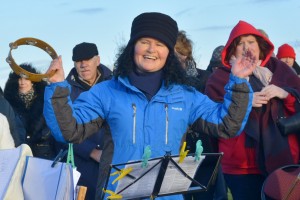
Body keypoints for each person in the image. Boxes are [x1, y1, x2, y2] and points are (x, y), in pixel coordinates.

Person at [44, 12, 256, 200]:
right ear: (132, 46)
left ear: (169, 53)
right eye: (145, 41)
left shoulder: (185, 96)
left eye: (161, 44)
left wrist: (238, 82)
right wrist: (57, 88)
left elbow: (226, 124)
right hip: (117, 195)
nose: (151, 50)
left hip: (168, 197)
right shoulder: (107, 92)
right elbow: (69, 131)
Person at [205, 20, 300, 200]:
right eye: (240, 43)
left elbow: (297, 104)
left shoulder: (280, 70)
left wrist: (285, 94)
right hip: (242, 166)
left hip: (284, 159)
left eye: (251, 42)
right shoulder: (219, 78)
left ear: (260, 46)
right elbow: (213, 119)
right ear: (232, 49)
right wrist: (243, 102)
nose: (247, 47)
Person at [54, 42, 112, 200]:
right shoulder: (64, 91)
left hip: (114, 164)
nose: (83, 64)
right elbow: (59, 130)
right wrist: (91, 151)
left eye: (88, 59)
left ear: (98, 60)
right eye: (78, 60)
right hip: (81, 167)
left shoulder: (116, 85)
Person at [175, 30, 227, 200]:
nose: (179, 57)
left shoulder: (204, 77)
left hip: (202, 147)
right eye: (175, 52)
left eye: (182, 52)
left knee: (204, 194)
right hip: (176, 149)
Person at [4, 64, 56, 159]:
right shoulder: (8, 102)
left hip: (44, 152)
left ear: (33, 81)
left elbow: (55, 122)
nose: (22, 82)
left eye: (26, 79)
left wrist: (45, 134)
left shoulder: (46, 98)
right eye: (19, 79)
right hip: (18, 153)